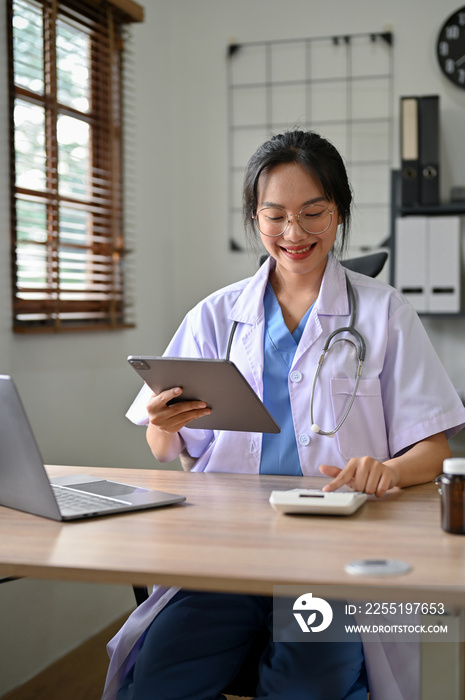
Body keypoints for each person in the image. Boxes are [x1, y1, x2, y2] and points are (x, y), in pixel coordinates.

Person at [103, 130, 465, 700]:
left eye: (312, 213)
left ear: (339, 214)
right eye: (275, 216)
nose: (293, 234)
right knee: (159, 679)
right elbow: (165, 448)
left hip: (332, 556)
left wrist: (388, 471)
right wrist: (162, 423)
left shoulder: (385, 313)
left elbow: (436, 450)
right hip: (226, 551)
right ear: (255, 217)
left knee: (310, 684)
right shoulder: (215, 315)